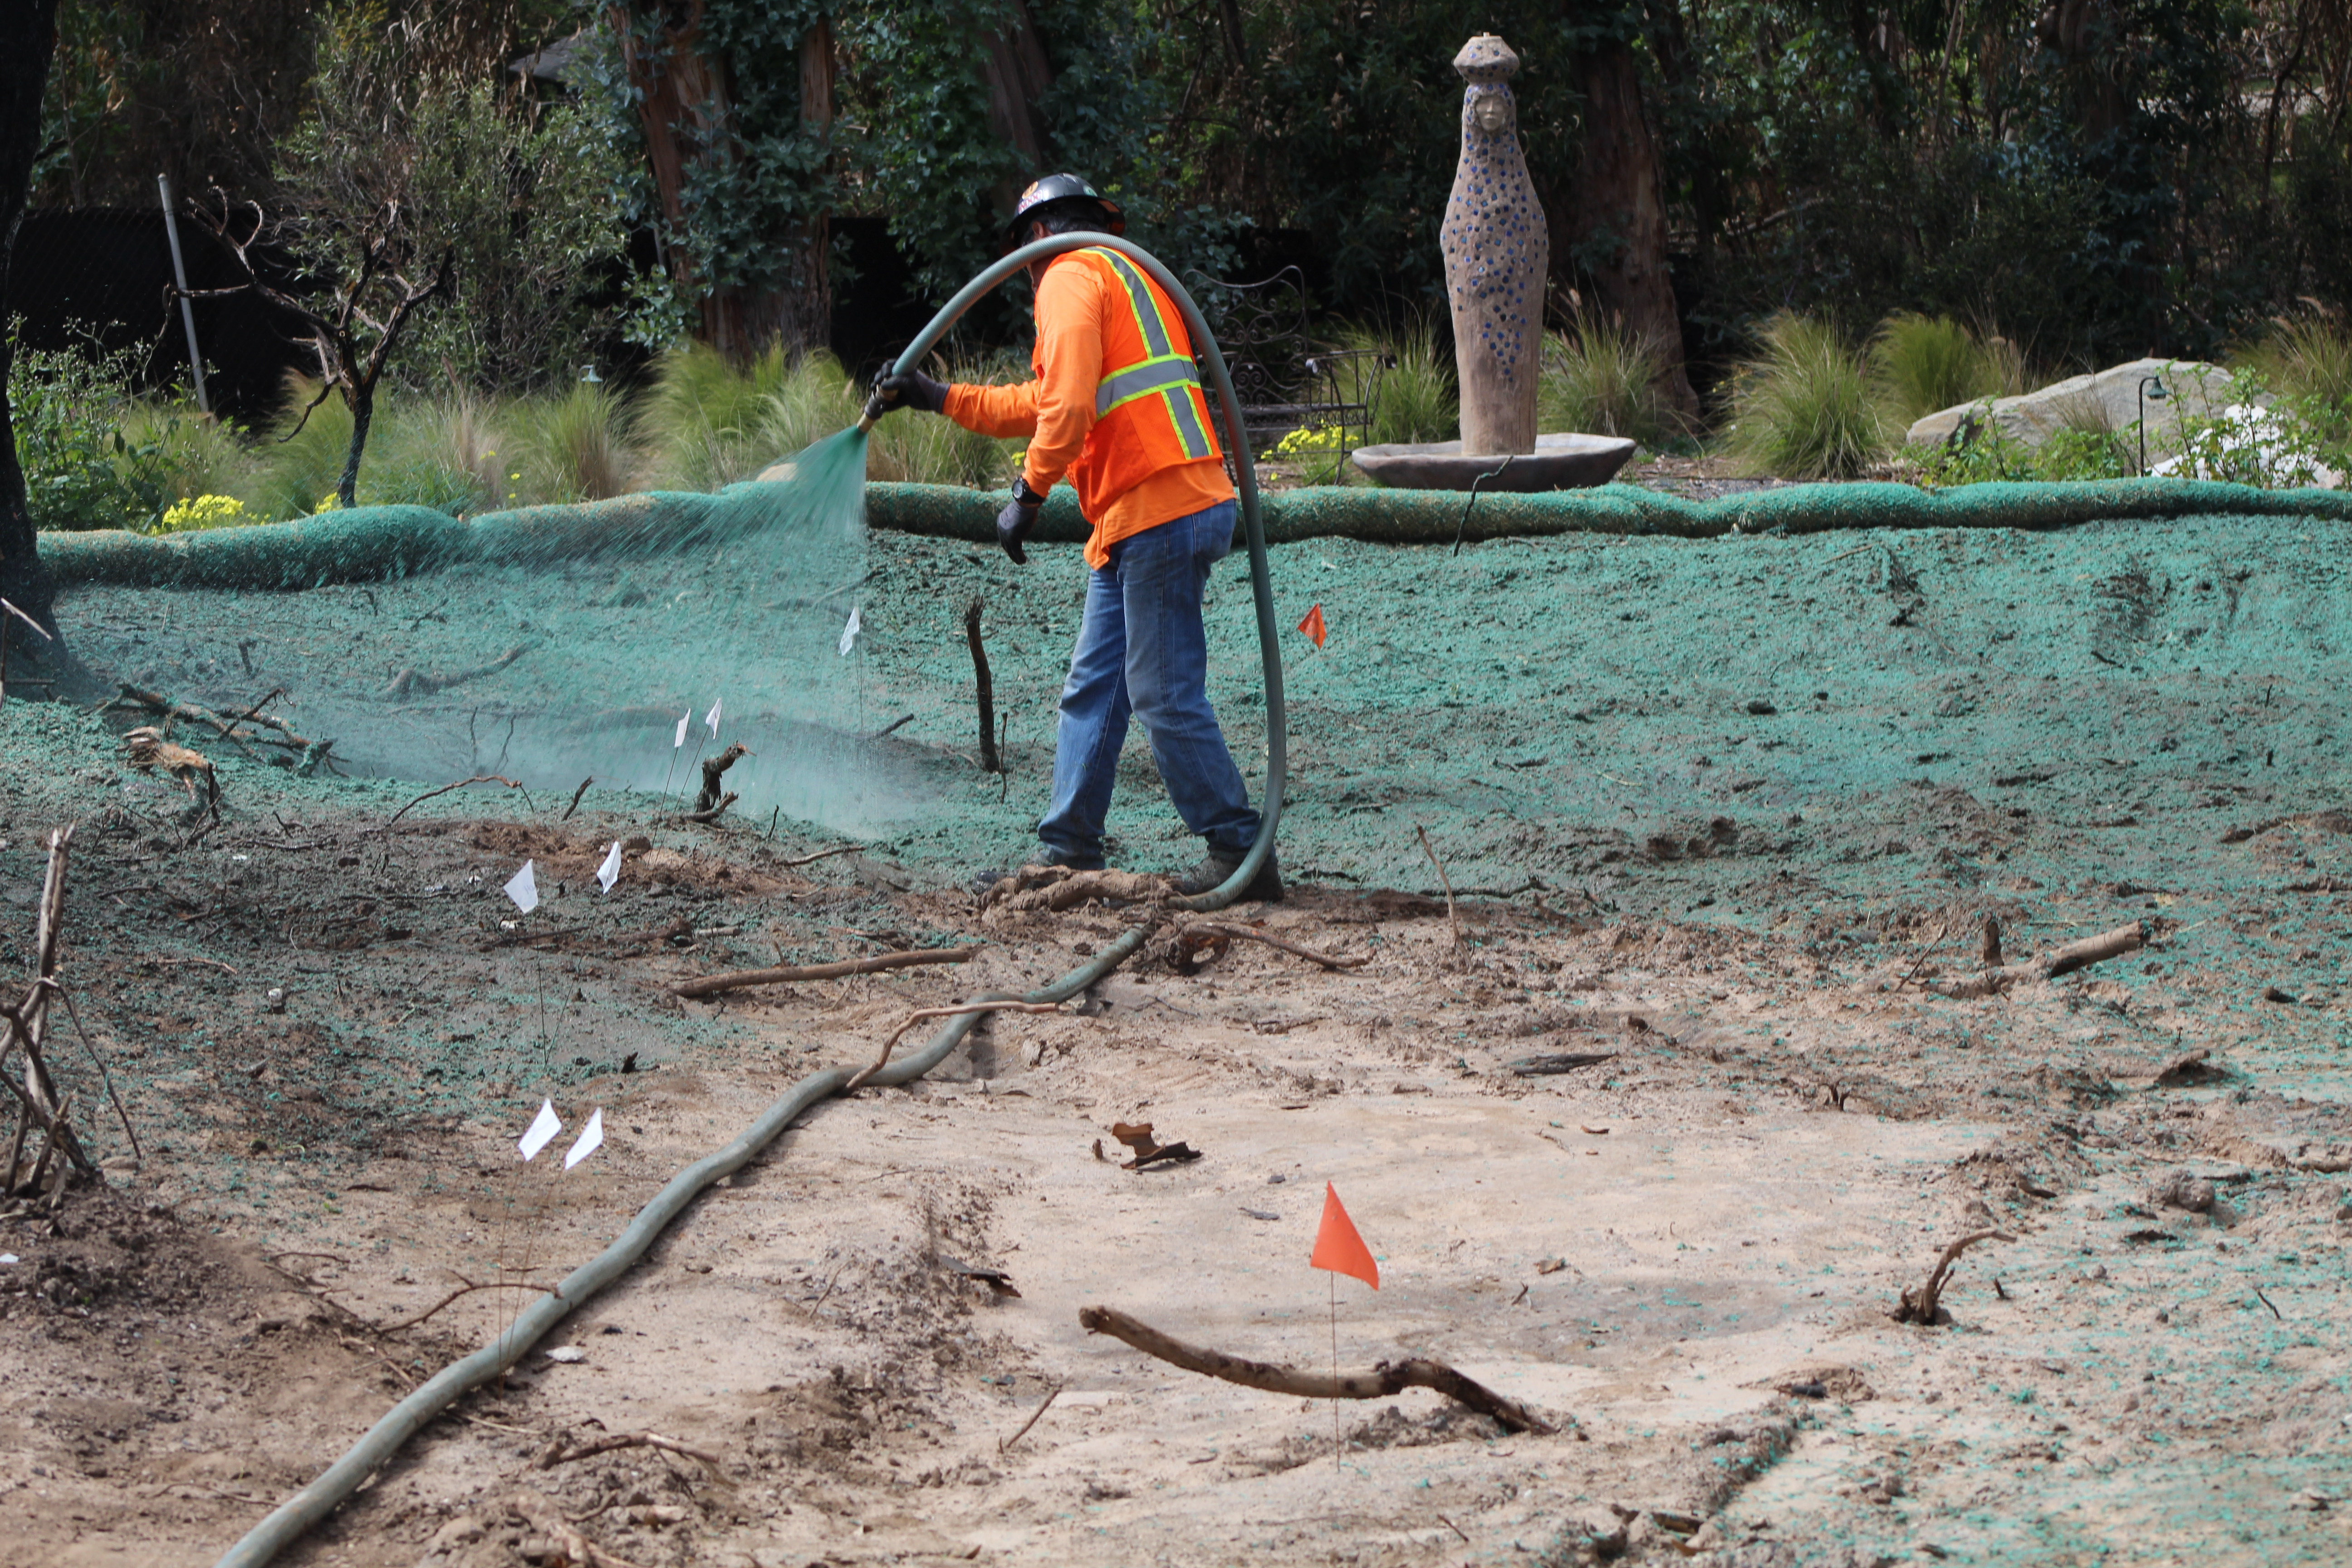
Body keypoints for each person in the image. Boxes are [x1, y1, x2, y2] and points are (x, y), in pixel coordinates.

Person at [869, 173, 1279, 901]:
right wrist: (939, 399)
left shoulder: (1067, 274)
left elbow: (1067, 407)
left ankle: (1240, 849)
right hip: (1151, 508)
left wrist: (1028, 496)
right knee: (1095, 689)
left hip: (1160, 507)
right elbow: (1049, 397)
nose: (1026, 275)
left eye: (1024, 259)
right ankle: (1068, 849)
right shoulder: (1129, 277)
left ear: (1036, 239)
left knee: (1161, 693)